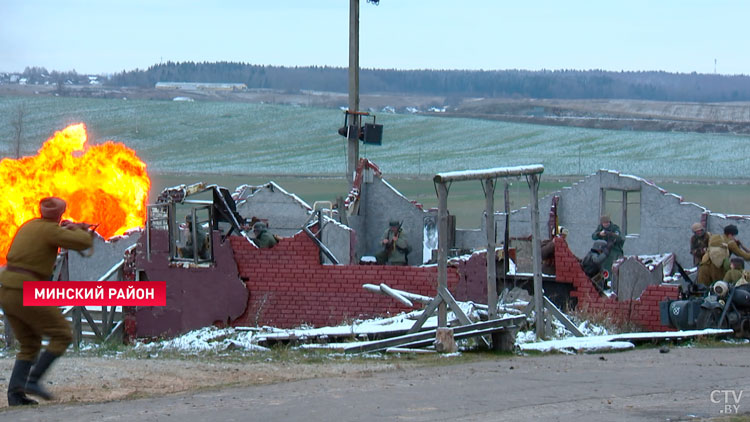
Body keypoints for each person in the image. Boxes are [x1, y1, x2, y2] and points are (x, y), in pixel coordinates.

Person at [0, 197, 94, 406]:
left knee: (29, 344)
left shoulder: (29, 226)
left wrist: (69, 228)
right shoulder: (51, 231)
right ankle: (32, 381)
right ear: (59, 215)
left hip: (7, 291)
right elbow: (84, 242)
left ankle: (15, 395)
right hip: (27, 291)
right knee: (62, 335)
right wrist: (78, 230)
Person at [591, 215, 624, 279]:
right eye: (604, 223)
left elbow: (619, 237)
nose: (606, 224)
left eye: (607, 222)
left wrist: (611, 234)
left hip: (614, 250)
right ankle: (604, 281)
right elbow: (593, 236)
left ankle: (611, 281)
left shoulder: (615, 228)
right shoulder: (600, 228)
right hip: (604, 250)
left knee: (612, 267)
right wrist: (599, 234)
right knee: (602, 266)